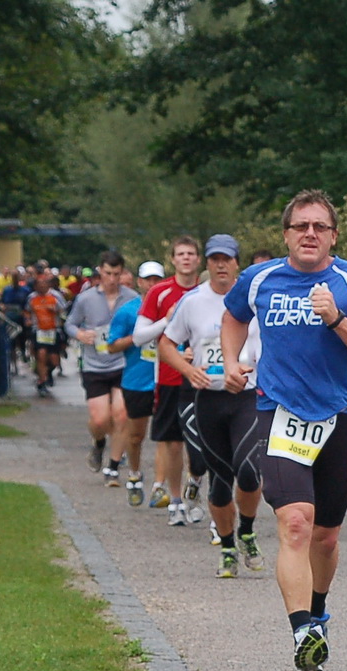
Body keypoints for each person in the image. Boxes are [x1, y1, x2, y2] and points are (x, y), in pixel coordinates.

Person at [220, 191, 347, 671]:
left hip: (339, 414)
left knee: (326, 534)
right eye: (301, 227)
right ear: (287, 234)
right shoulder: (260, 280)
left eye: (320, 226)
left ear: (334, 236)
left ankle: (317, 611)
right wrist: (232, 362)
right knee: (296, 523)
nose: (310, 234)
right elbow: (234, 316)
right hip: (279, 413)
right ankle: (302, 633)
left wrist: (337, 319)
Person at [164, 235, 269, 578]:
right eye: (214, 260)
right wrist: (187, 369)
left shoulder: (255, 300)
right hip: (208, 398)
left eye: (227, 259)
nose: (221, 265)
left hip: (247, 397)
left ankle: (248, 531)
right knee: (220, 479)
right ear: (206, 264)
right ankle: (227, 548)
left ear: (237, 263)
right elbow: (166, 344)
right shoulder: (193, 302)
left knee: (249, 471)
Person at [135, 236, 209, 524]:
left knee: (201, 444)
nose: (187, 259)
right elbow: (140, 336)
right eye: (181, 254)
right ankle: (176, 500)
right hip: (168, 377)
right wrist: (168, 321)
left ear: (198, 260)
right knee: (173, 442)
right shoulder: (160, 292)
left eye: (191, 253)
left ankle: (196, 490)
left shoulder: (208, 292)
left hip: (203, 379)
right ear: (173, 260)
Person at [66, 250, 139, 481]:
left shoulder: (130, 298)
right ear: (100, 271)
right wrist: (80, 334)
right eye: (108, 273)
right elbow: (69, 324)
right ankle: (98, 443)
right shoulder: (86, 298)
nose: (112, 279)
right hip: (94, 365)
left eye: (117, 274)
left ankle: (114, 465)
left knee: (121, 415)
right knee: (100, 420)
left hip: (122, 363)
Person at [110, 260, 164, 506]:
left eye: (157, 279)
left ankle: (160, 486)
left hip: (166, 380)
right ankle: (134, 474)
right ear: (140, 282)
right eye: (148, 279)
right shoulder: (128, 311)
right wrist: (138, 336)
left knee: (169, 437)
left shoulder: (172, 309)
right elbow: (111, 346)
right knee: (135, 436)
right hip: (137, 381)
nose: (152, 284)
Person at [27, 273, 66, 395]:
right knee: (41, 355)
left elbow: (64, 312)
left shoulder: (55, 296)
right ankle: (41, 382)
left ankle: (48, 372)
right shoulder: (32, 297)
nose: (42, 288)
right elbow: (26, 311)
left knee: (54, 360)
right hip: (38, 330)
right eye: (39, 286)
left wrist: (55, 310)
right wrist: (27, 320)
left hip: (53, 330)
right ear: (36, 287)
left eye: (44, 285)